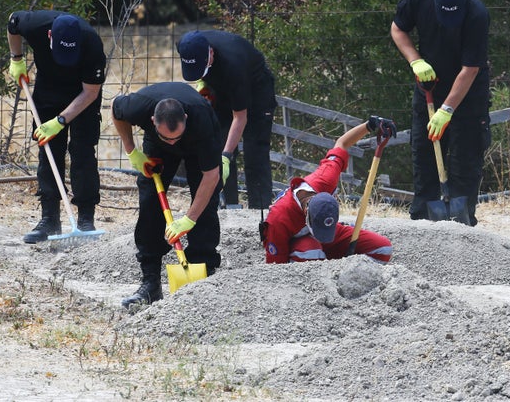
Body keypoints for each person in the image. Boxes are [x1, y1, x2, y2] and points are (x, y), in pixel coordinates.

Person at [390, 0, 491, 225]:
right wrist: (415, 60)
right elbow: (398, 28)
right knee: (424, 157)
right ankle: (423, 221)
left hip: (467, 95)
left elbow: (470, 69)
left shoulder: (477, 14)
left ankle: (462, 223)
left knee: (465, 161)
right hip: (428, 88)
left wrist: (447, 109)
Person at [111, 82, 223, 307]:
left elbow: (211, 177)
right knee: (150, 199)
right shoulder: (137, 107)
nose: (173, 142)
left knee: (205, 204)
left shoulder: (202, 121)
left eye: (176, 137)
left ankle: (202, 274)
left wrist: (188, 220)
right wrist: (132, 151)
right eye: (168, 138)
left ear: (185, 119)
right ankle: (150, 283)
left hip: (197, 145)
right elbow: (115, 109)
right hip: (157, 147)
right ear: (153, 121)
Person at [7, 11, 106, 243]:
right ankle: (49, 219)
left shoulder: (91, 44)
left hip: (82, 94)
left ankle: (85, 220)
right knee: (49, 148)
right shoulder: (34, 25)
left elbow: (91, 92)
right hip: (48, 89)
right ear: (49, 35)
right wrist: (16, 58)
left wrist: (61, 121)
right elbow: (12, 23)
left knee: (82, 151)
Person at [261, 116, 396, 264]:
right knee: (310, 252)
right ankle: (318, 279)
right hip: (299, 246)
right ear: (307, 216)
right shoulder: (279, 220)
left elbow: (342, 143)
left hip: (328, 236)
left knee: (383, 249)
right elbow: (276, 267)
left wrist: (370, 125)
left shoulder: (326, 178)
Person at [177, 30, 277, 209]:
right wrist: (203, 85)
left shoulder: (234, 64)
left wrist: (226, 155)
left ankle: (259, 208)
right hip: (221, 89)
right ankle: (228, 205)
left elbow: (240, 117)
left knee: (254, 151)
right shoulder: (186, 46)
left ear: (211, 54)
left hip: (257, 92)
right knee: (218, 141)